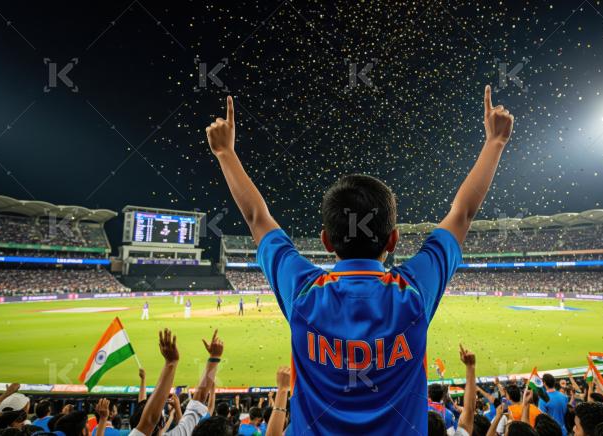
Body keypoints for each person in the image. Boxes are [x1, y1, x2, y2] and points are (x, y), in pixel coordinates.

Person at [206, 83, 514, 435]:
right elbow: (463, 214)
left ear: (325, 241)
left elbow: (256, 218)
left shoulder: (305, 293)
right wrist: (495, 143)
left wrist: (225, 153)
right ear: (393, 240)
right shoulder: (411, 293)